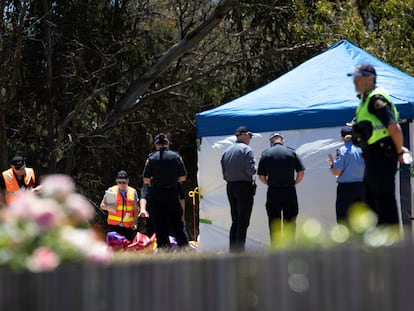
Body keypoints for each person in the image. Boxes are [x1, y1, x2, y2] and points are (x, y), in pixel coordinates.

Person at [347, 63, 408, 225]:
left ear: (370, 79)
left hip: (383, 155)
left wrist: (399, 151)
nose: (355, 82)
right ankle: (378, 243)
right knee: (371, 201)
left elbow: (394, 127)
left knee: (384, 201)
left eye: (358, 78)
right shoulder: (364, 101)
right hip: (371, 157)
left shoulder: (376, 99)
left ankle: (392, 244)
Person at [140, 133, 189, 250]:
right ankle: (184, 248)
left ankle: (164, 249)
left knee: (160, 225)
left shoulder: (151, 158)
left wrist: (156, 179)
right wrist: (172, 179)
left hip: (157, 195)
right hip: (172, 193)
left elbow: (146, 180)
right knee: (178, 223)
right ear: (167, 143)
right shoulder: (175, 156)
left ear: (156, 144)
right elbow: (183, 177)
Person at [257, 133, 305, 245]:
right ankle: (290, 249)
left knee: (274, 223)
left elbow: (261, 176)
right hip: (289, 191)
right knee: (290, 222)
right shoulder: (292, 152)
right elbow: (301, 172)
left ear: (271, 141)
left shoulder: (265, 154)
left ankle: (276, 250)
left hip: (273, 192)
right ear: (282, 140)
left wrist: (269, 183)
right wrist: (294, 183)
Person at [221, 126, 257, 252]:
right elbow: (251, 170)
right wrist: (257, 168)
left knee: (235, 220)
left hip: (230, 186)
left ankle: (233, 250)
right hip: (244, 187)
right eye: (250, 135)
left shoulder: (227, 151)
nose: (250, 138)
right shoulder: (247, 150)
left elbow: (224, 174)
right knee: (243, 221)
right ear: (244, 134)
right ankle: (240, 252)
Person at [327, 126, 365, 224]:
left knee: (344, 218)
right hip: (363, 186)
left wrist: (331, 165)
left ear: (342, 137)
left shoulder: (342, 151)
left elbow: (337, 172)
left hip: (347, 188)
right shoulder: (363, 148)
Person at [100, 170, 148, 242]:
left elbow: (136, 209)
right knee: (115, 247)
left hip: (128, 226)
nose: (122, 184)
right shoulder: (111, 191)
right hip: (114, 225)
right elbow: (102, 205)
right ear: (117, 181)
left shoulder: (132, 192)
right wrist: (109, 207)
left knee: (126, 247)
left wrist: (135, 222)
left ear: (127, 181)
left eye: (124, 182)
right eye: (119, 182)